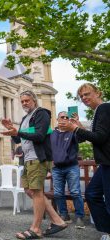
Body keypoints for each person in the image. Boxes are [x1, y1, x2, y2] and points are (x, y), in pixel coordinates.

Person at [1, 90, 67, 239]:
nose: (24, 103)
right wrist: (11, 130)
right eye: (22, 101)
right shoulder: (25, 118)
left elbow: (39, 135)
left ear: (34, 101)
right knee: (28, 190)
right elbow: (19, 140)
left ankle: (36, 229)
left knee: (36, 191)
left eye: (27, 100)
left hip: (38, 157)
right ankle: (57, 220)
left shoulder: (41, 113)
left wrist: (17, 131)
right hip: (27, 159)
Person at [60, 83, 110, 240]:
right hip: (105, 163)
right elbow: (84, 139)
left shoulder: (104, 108)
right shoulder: (97, 112)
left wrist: (75, 129)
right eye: (81, 96)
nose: (84, 98)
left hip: (109, 162)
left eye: (87, 94)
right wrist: (78, 127)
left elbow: (100, 138)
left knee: (106, 199)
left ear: (98, 92)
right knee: (92, 193)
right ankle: (107, 230)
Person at [50, 111, 85, 228]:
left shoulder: (72, 132)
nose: (64, 118)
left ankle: (80, 217)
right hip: (56, 168)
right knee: (58, 193)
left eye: (66, 117)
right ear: (57, 119)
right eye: (62, 117)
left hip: (71, 167)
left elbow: (83, 137)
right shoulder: (52, 133)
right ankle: (64, 215)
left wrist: (77, 124)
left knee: (75, 192)